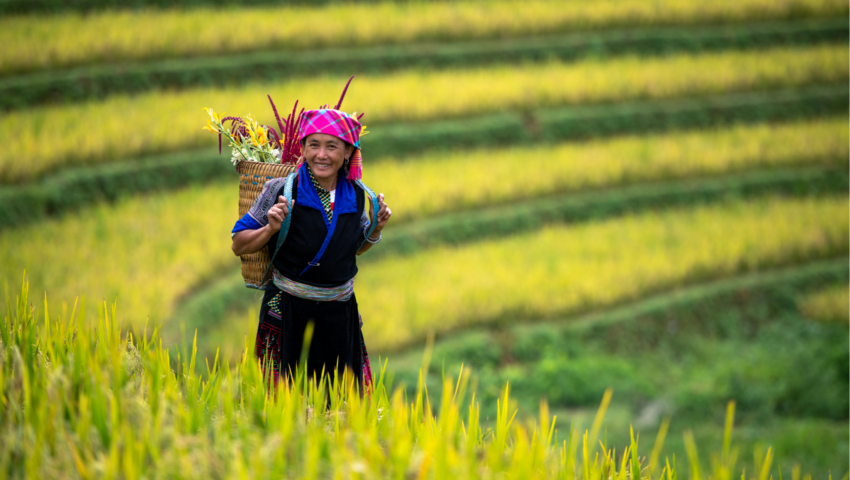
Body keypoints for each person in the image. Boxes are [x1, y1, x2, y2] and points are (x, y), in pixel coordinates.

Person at [230, 108, 391, 390]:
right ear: (302, 149)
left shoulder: (355, 193)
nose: (322, 154)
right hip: (288, 310)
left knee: (338, 406)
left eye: (332, 146)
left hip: (339, 315)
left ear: (347, 153)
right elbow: (238, 243)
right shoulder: (281, 190)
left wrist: (375, 228)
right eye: (313, 145)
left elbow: (353, 249)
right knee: (283, 403)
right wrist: (270, 228)